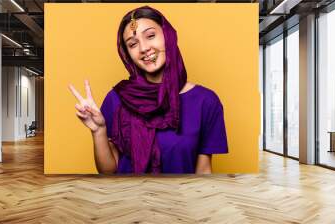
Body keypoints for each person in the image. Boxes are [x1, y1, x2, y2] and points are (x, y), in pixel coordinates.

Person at [69, 5, 228, 174]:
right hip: (127, 198)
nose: (144, 48)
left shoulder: (206, 101)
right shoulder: (116, 98)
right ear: (127, 54)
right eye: (133, 44)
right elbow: (108, 173)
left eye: (150, 36)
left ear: (168, 36)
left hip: (181, 199)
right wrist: (98, 131)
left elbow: (203, 171)